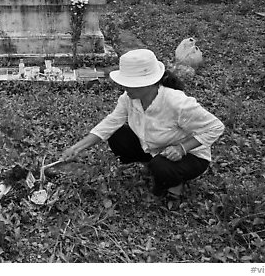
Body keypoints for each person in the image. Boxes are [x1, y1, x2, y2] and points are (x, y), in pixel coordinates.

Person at [61, 49, 224, 208]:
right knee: (118, 135)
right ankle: (153, 164)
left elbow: (215, 127)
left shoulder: (177, 103)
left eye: (131, 84)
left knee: (161, 167)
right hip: (155, 146)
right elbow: (110, 123)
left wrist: (182, 148)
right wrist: (76, 148)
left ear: (151, 83)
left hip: (191, 155)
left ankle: (175, 186)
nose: (126, 88)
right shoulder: (129, 98)